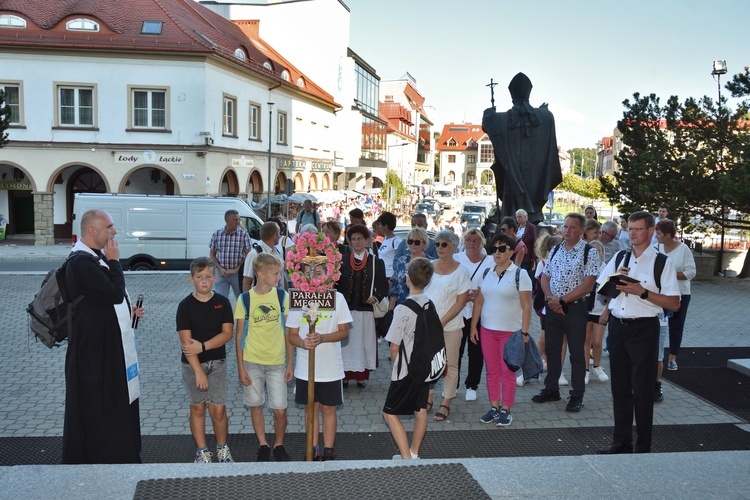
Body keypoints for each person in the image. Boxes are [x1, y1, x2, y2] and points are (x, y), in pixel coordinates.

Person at [63, 209, 144, 464]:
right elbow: (113, 293)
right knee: (97, 407)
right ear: (92, 231)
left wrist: (127, 312)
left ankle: (120, 453)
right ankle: (99, 457)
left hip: (106, 348)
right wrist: (115, 261)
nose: (114, 231)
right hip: (92, 355)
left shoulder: (94, 258)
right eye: (109, 226)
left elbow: (104, 301)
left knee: (113, 403)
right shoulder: (81, 262)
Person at [597, 211, 680, 454]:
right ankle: (621, 443)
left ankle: (643, 447)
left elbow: (674, 303)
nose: (632, 233)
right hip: (618, 327)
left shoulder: (662, 262)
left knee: (643, 391)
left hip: (644, 329)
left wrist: (641, 291)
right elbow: (602, 292)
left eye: (638, 228)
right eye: (630, 228)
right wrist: (615, 283)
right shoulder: (621, 256)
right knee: (620, 389)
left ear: (651, 231)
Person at [533, 213, 600, 413]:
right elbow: (545, 277)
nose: (567, 231)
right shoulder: (555, 250)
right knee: (553, 350)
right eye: (565, 227)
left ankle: (577, 395)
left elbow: (588, 285)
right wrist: (552, 299)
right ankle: (551, 388)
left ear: (581, 231)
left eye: (572, 228)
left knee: (577, 353)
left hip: (576, 309)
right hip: (554, 308)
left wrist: (562, 300)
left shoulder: (589, 252)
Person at [286, 269, 352, 461]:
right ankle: (312, 446)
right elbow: (291, 335)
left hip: (330, 367)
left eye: (319, 272)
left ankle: (329, 449)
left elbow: (344, 332)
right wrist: (302, 343)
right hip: (306, 368)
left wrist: (322, 337)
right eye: (308, 273)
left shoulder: (337, 298)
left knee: (328, 408)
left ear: (328, 275)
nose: (313, 276)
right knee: (310, 408)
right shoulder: (299, 299)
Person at [481, 72, 563, 224]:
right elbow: (544, 120)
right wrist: (541, 110)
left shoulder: (501, 119)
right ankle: (532, 212)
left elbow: (487, 121)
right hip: (535, 180)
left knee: (511, 214)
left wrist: (490, 112)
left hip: (512, 181)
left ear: (512, 95)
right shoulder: (546, 117)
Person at [235, 253, 292, 462]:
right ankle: (262, 444)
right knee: (255, 404)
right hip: (252, 361)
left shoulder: (281, 296)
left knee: (280, 409)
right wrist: (240, 367)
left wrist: (290, 363)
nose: (279, 277)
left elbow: (288, 332)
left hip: (277, 362)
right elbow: (239, 335)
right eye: (275, 273)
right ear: (261, 274)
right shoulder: (245, 299)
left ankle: (279, 444)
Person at [471, 232, 532, 427]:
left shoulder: (520, 274)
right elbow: (479, 300)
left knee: (507, 371)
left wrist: (523, 332)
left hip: (511, 332)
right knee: (491, 371)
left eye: (502, 249)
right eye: (494, 248)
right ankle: (494, 407)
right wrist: (474, 325)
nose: (497, 252)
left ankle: (506, 408)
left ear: (512, 252)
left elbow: (527, 306)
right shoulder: (487, 272)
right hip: (487, 330)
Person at [177, 257, 234, 464]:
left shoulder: (223, 302)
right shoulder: (185, 306)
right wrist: (198, 371)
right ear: (191, 279)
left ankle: (222, 448)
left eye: (208, 277)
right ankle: (202, 451)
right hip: (192, 365)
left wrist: (202, 346)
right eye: (199, 277)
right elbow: (186, 343)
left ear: (215, 278)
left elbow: (227, 334)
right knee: (198, 407)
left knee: (218, 409)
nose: (204, 281)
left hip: (218, 362)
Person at [383, 257, 435, 459]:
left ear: (407, 279)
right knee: (420, 409)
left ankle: (405, 458)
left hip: (406, 369)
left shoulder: (402, 309)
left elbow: (394, 346)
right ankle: (414, 452)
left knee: (389, 412)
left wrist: (396, 369)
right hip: (424, 367)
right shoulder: (430, 303)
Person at [426, 230, 470, 421]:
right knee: (428, 362)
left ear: (454, 246)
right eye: (437, 244)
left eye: (444, 244)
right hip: (428, 325)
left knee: (450, 364)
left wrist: (441, 322)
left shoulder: (461, 271)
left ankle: (446, 402)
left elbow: (461, 302)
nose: (440, 248)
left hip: (451, 326)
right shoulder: (427, 266)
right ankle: (427, 397)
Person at [337, 224, 388, 388]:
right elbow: (336, 284)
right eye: (353, 239)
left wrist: (376, 296)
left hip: (365, 311)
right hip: (346, 310)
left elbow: (383, 286)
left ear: (366, 240)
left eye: (360, 238)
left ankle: (361, 376)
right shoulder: (342, 260)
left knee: (362, 344)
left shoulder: (376, 262)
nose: (357, 242)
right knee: (346, 344)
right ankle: (343, 376)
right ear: (349, 241)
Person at [455, 228, 494, 402]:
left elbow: (493, 283)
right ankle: (452, 385)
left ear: (482, 243)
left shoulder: (490, 261)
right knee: (455, 350)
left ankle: (472, 385)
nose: (472, 243)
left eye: (476, 240)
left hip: (480, 311)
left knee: (476, 351)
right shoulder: (457, 258)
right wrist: (464, 295)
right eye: (469, 240)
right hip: (459, 310)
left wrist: (479, 294)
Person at [655, 219, 696, 372]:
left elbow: (691, 272)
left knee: (676, 326)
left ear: (668, 235)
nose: (656, 236)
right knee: (656, 325)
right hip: (660, 293)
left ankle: (672, 357)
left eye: (659, 234)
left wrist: (670, 275)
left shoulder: (683, 249)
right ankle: (657, 355)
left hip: (680, 293)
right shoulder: (655, 248)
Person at [209, 209, 252, 299]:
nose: (238, 222)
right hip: (221, 274)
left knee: (241, 299)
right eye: (235, 220)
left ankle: (242, 313)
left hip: (238, 273)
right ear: (227, 221)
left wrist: (237, 268)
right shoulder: (217, 234)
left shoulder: (243, 235)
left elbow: (249, 255)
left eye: (238, 219)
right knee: (220, 299)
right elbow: (212, 254)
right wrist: (220, 269)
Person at [583, 240, 609, 384]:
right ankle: (585, 370)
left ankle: (597, 366)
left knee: (598, 341)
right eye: (593, 251)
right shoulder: (584, 268)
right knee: (586, 340)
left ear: (602, 253)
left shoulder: (606, 268)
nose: (596, 254)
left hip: (600, 310)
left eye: (599, 251)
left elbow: (611, 291)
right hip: (586, 310)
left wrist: (607, 311)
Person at [242, 221, 283, 291]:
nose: (280, 236)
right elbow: (247, 281)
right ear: (274, 236)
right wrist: (247, 300)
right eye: (279, 234)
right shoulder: (254, 254)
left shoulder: (276, 251)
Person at [377, 212, 401, 280]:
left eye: (380, 225)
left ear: (385, 226)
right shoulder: (385, 239)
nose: (379, 227)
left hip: (390, 276)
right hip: (382, 274)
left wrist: (392, 278)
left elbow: (399, 260)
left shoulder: (396, 241)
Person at [515, 209, 538, 280]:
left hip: (526, 257)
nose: (518, 219)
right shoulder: (516, 227)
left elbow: (535, 243)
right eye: (517, 217)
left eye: (520, 217)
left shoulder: (531, 227)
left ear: (525, 217)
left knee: (524, 276)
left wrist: (533, 258)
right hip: (516, 256)